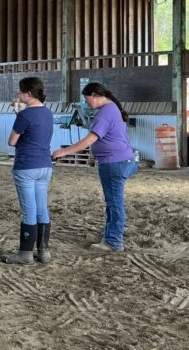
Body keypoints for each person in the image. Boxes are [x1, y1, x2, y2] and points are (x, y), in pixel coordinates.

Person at [52, 82, 137, 252]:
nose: (86, 103)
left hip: (114, 162)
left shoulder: (105, 113)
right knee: (113, 201)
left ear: (94, 95)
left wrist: (65, 151)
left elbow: (91, 139)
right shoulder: (112, 109)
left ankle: (113, 241)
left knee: (114, 203)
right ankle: (111, 235)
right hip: (119, 161)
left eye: (86, 99)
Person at [1, 77, 54, 264]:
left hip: (26, 166)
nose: (18, 95)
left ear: (28, 94)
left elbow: (12, 141)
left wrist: (18, 116)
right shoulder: (48, 113)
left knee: (29, 210)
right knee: (42, 209)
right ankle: (43, 250)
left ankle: (25, 253)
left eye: (20, 92)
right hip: (45, 165)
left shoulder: (25, 115)